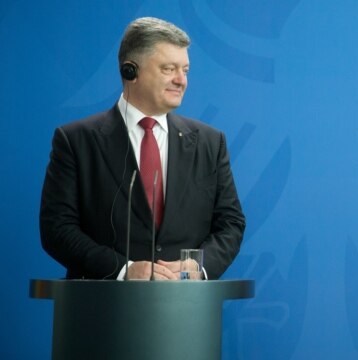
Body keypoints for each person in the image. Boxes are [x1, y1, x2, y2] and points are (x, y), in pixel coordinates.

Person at [40, 17, 245, 280]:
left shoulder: (210, 142)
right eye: (169, 69)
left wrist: (198, 267)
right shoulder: (75, 140)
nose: (181, 80)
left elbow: (231, 223)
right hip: (102, 310)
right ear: (130, 72)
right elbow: (56, 229)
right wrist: (123, 270)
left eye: (186, 70)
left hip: (187, 309)